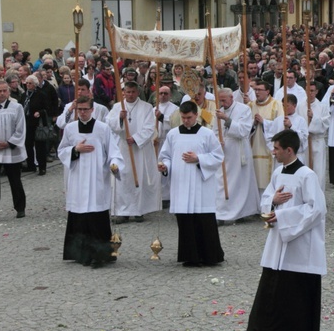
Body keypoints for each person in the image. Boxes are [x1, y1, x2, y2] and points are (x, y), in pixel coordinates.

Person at [235, 129, 326, 331]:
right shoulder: (278, 173)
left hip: (300, 246)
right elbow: (267, 199)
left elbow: (317, 209)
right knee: (270, 291)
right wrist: (273, 203)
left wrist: (284, 216)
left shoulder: (307, 175)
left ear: (289, 150)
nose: (273, 152)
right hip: (278, 245)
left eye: (276, 148)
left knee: (295, 294)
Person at [58, 96, 124, 268]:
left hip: (96, 178)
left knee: (96, 215)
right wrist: (75, 150)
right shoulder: (70, 129)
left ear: (92, 109)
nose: (82, 112)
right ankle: (80, 253)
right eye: (79, 109)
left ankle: (100, 254)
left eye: (85, 109)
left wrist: (114, 164)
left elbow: (113, 151)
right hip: (78, 177)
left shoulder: (103, 128)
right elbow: (62, 150)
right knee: (80, 215)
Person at [158, 101, 225, 267]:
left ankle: (210, 256)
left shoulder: (207, 134)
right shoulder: (173, 134)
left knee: (203, 220)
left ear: (196, 115)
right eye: (183, 117)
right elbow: (165, 155)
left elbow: (218, 156)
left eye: (189, 117)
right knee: (185, 220)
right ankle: (190, 256)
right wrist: (165, 166)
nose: (186, 121)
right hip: (181, 183)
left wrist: (199, 159)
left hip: (200, 183)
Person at [106, 81, 161, 223]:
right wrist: (119, 118)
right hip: (123, 148)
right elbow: (109, 124)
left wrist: (136, 139)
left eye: (133, 92)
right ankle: (122, 211)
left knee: (139, 178)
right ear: (124, 92)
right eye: (128, 92)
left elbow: (150, 127)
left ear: (137, 92)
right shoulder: (118, 107)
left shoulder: (147, 107)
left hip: (140, 149)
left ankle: (139, 210)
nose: (130, 95)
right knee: (122, 178)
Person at [214, 88, 260, 224]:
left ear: (231, 98)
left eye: (224, 100)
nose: (222, 103)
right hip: (224, 151)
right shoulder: (219, 112)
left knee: (239, 182)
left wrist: (227, 120)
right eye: (220, 100)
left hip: (238, 150)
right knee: (222, 181)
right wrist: (217, 141)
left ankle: (240, 212)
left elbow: (244, 131)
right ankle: (221, 212)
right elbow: (215, 131)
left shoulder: (244, 109)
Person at [0, 80, 28, 223]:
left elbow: (21, 128)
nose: (2, 93)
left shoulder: (16, 107)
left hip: (10, 150)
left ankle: (20, 208)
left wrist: (9, 143)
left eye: (5, 91)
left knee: (15, 180)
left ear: (8, 92)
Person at [249, 80, 285, 190]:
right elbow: (244, 127)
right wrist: (253, 124)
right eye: (255, 90)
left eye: (259, 90)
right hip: (254, 146)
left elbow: (280, 126)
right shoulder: (250, 105)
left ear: (267, 91)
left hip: (269, 148)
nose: (257, 92)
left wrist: (264, 122)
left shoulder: (276, 104)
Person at [298, 81, 331, 192]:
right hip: (304, 142)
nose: (310, 93)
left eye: (312, 91)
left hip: (317, 141)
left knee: (318, 171)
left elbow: (326, 123)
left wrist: (313, 118)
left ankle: (318, 198)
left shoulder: (322, 107)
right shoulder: (300, 106)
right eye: (308, 90)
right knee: (304, 169)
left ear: (316, 92)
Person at [21, 74, 51, 175]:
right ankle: (31, 165)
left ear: (35, 84)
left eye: (30, 83)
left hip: (38, 124)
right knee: (28, 145)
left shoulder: (41, 94)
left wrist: (40, 112)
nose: (28, 85)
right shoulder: (24, 95)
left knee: (40, 146)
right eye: (27, 83)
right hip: (27, 123)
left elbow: (47, 108)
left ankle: (42, 167)